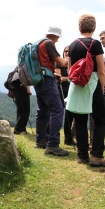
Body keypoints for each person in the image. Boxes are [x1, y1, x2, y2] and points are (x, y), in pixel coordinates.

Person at [66, 14, 105, 167]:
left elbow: (70, 69)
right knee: (100, 120)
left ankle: (82, 155)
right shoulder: (96, 44)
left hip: (77, 85)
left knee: (80, 119)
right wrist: (102, 86)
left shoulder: (72, 45)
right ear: (93, 28)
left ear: (79, 27)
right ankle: (97, 156)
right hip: (92, 84)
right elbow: (101, 70)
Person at [34, 26, 69, 157]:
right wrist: (67, 60)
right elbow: (60, 62)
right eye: (58, 37)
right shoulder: (49, 43)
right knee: (58, 109)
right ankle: (53, 144)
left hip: (38, 79)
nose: (58, 40)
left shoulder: (38, 43)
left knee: (42, 110)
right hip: (47, 80)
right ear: (54, 35)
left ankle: (41, 139)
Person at [55, 46, 76, 146]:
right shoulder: (58, 63)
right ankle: (52, 134)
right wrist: (70, 77)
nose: (67, 53)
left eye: (69, 51)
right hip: (60, 90)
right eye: (65, 51)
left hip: (71, 91)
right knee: (58, 112)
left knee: (69, 115)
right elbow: (59, 78)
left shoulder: (73, 64)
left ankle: (68, 138)